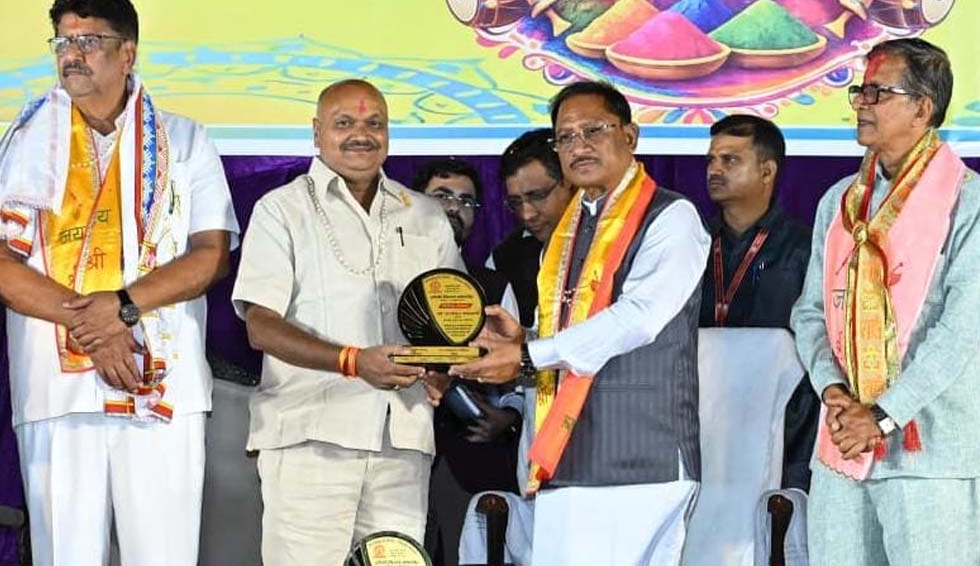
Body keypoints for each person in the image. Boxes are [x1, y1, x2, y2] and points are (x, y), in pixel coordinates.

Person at [0, 0, 238, 566]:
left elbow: (210, 254)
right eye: (63, 42)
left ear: (127, 52)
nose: (71, 54)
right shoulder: (22, 142)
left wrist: (123, 306)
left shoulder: (184, 139)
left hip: (160, 382)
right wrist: (98, 327)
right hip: (56, 388)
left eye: (89, 41)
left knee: (163, 555)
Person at [451, 80, 710, 565]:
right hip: (566, 454)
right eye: (566, 137)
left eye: (593, 130)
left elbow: (638, 318)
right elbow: (573, 336)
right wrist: (526, 338)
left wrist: (528, 355)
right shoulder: (567, 233)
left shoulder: (671, 217)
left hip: (639, 455)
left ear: (630, 136)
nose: (579, 146)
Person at [231, 79, 463, 566]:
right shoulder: (281, 210)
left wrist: (443, 367)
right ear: (317, 133)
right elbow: (261, 325)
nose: (362, 134)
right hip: (311, 438)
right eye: (344, 123)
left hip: (403, 439)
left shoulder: (423, 214)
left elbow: (452, 320)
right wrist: (353, 361)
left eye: (375, 123)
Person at [790, 38, 980, 566]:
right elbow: (809, 313)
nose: (861, 103)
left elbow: (964, 325)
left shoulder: (968, 197)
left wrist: (882, 415)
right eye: (861, 91)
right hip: (843, 441)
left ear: (923, 109)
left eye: (878, 93)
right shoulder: (839, 202)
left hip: (933, 447)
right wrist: (834, 392)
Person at [412, 158, 523, 566]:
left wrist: (507, 416)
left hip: (471, 455)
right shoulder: (383, 276)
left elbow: (518, 371)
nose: (454, 207)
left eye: (466, 201)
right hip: (395, 453)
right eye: (441, 196)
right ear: (413, 202)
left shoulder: (493, 285)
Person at [700, 114, 818, 491]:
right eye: (711, 160)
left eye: (730, 160)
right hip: (703, 416)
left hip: (786, 420)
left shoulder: (805, 247)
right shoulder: (693, 242)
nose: (715, 169)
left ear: (767, 171)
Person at [487, 129, 573, 327]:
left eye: (538, 196)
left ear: (570, 182)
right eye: (515, 202)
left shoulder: (614, 237)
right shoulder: (502, 260)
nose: (526, 214)